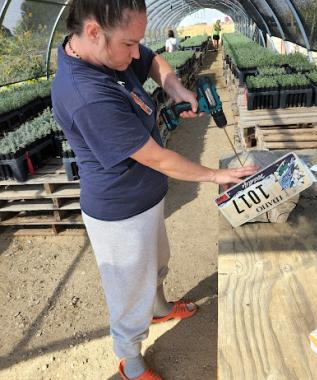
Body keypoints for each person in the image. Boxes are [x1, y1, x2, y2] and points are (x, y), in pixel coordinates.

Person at [51, 1, 258, 379]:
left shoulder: (109, 51)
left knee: (156, 262)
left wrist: (175, 86)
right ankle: (129, 360)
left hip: (146, 196)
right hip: (119, 212)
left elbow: (152, 61)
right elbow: (158, 159)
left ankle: (161, 308)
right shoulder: (84, 93)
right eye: (129, 44)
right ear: (94, 31)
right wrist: (214, 176)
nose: (135, 52)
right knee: (129, 292)